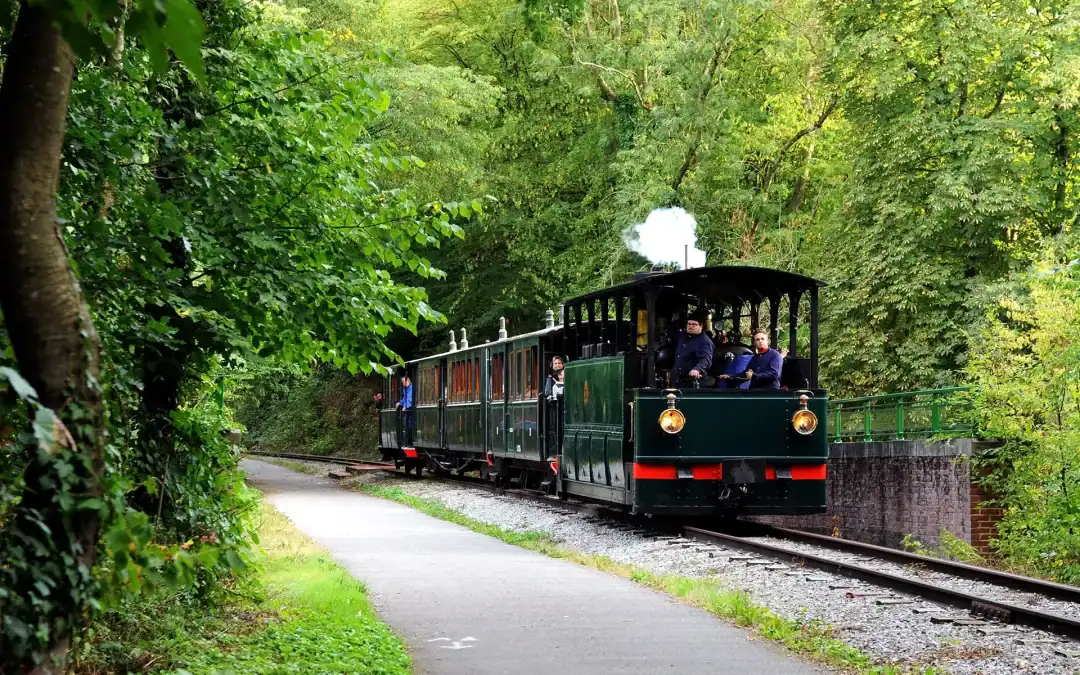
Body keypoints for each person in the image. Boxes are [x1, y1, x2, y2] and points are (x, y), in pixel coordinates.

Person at [669, 310, 714, 386]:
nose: (690, 326)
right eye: (689, 324)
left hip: (690, 381)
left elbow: (706, 358)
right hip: (676, 379)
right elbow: (671, 333)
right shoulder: (682, 336)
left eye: (694, 324)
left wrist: (697, 369)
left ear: (701, 326)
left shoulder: (705, 341)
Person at [395, 374, 415, 444]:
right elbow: (405, 398)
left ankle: (411, 440)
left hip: (412, 409)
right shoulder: (405, 388)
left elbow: (410, 399)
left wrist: (405, 406)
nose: (404, 383)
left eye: (405, 381)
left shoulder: (411, 387)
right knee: (407, 424)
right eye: (403, 382)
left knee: (410, 424)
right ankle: (408, 440)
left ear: (409, 381)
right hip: (409, 410)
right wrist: (400, 403)